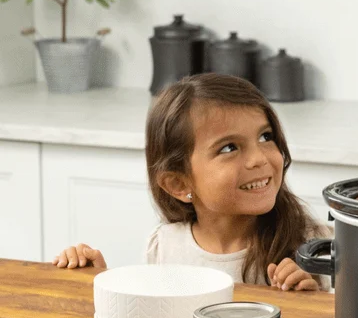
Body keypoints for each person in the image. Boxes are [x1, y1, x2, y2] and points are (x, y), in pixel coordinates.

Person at [53, 74, 328, 290]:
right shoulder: (165, 246)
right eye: (229, 147)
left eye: (265, 137)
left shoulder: (313, 245)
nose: (259, 158)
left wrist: (309, 296)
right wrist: (100, 281)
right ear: (178, 184)